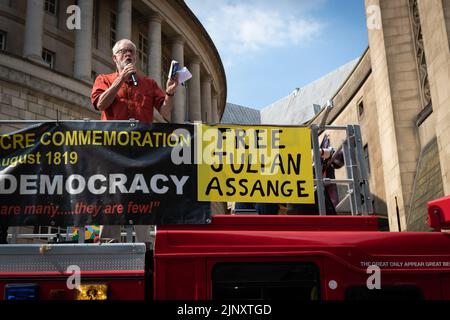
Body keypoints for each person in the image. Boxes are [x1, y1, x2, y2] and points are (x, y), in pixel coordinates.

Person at [91, 39, 179, 243]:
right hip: (113, 151)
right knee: (113, 196)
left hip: (142, 153)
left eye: (131, 51)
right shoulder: (104, 79)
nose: (128, 55)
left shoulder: (148, 83)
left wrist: (170, 92)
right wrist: (120, 80)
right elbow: (100, 104)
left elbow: (165, 113)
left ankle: (145, 246)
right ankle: (108, 245)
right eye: (123, 52)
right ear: (115, 58)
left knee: (141, 196)